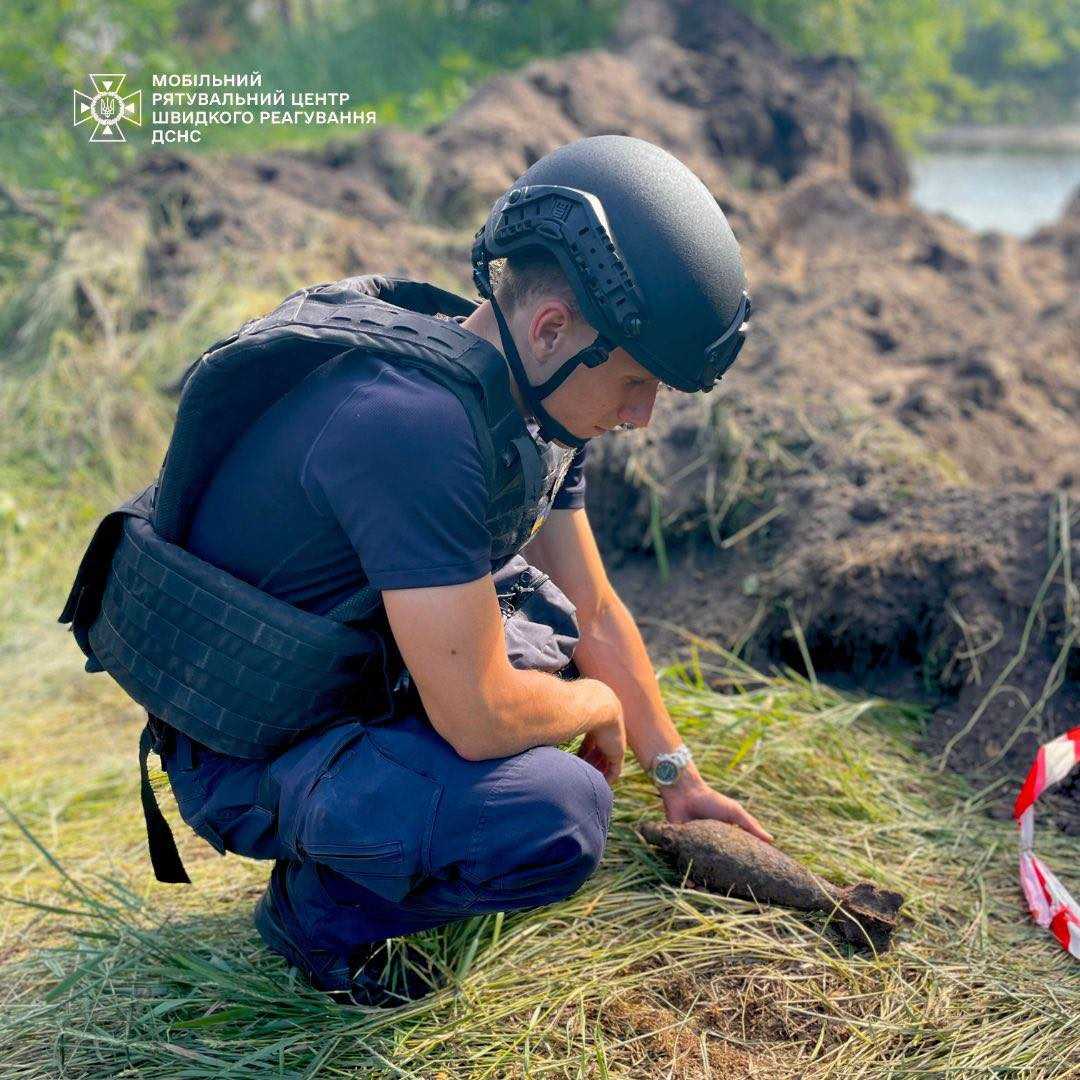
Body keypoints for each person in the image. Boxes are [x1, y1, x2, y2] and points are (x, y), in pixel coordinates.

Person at [60, 135, 768, 1007]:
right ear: (553, 330)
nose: (644, 415)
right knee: (559, 813)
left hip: (339, 675)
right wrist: (602, 705)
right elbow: (479, 720)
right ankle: (315, 920)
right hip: (246, 747)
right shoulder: (416, 427)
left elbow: (594, 607)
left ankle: (386, 819)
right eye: (635, 382)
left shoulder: (529, 400)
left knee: (549, 627)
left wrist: (677, 778)